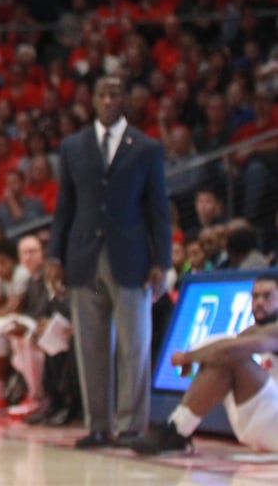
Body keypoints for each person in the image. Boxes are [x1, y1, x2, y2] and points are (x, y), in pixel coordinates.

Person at [50, 75, 172, 449]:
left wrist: (163, 261)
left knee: (134, 344)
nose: (107, 99)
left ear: (125, 100)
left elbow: (158, 208)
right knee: (90, 344)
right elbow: (64, 207)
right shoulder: (73, 146)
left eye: (115, 92)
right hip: (83, 254)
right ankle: (98, 425)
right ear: (92, 100)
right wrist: (54, 256)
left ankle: (132, 426)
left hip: (132, 256)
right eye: (101, 93)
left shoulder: (147, 147)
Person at [130, 273, 278, 457]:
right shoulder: (255, 331)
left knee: (230, 355)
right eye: (255, 296)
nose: (259, 302)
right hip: (265, 422)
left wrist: (188, 358)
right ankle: (176, 429)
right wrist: (193, 357)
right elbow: (220, 346)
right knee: (223, 355)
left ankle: (177, 431)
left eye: (267, 296)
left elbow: (229, 350)